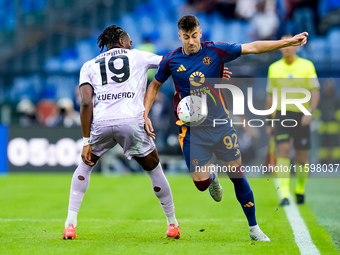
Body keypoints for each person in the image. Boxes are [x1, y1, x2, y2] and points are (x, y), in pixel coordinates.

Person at [144, 14, 308, 241]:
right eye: (186, 37)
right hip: (192, 131)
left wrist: (287, 42)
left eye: (194, 36)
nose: (191, 42)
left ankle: (254, 228)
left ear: (200, 33)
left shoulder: (216, 51)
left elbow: (253, 47)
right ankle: (211, 176)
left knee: (237, 175)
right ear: (179, 36)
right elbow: (154, 85)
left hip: (221, 127)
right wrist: (144, 114)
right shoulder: (171, 60)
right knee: (201, 185)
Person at [62, 25, 181, 240]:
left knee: (85, 165)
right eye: (129, 40)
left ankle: (70, 225)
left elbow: (86, 102)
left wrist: (86, 141)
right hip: (131, 121)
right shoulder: (138, 56)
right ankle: (172, 224)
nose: (131, 44)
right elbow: (172, 62)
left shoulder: (88, 65)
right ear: (121, 40)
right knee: (153, 168)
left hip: (102, 123)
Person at [266, 35, 320, 206]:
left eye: (291, 44)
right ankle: (284, 194)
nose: (288, 48)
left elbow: (315, 91)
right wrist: (269, 120)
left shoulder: (307, 66)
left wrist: (310, 112)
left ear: (296, 46)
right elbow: (270, 95)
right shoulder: (274, 68)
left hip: (302, 115)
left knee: (302, 157)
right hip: (282, 114)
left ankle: (300, 190)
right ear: (281, 47)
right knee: (283, 150)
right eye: (285, 45)